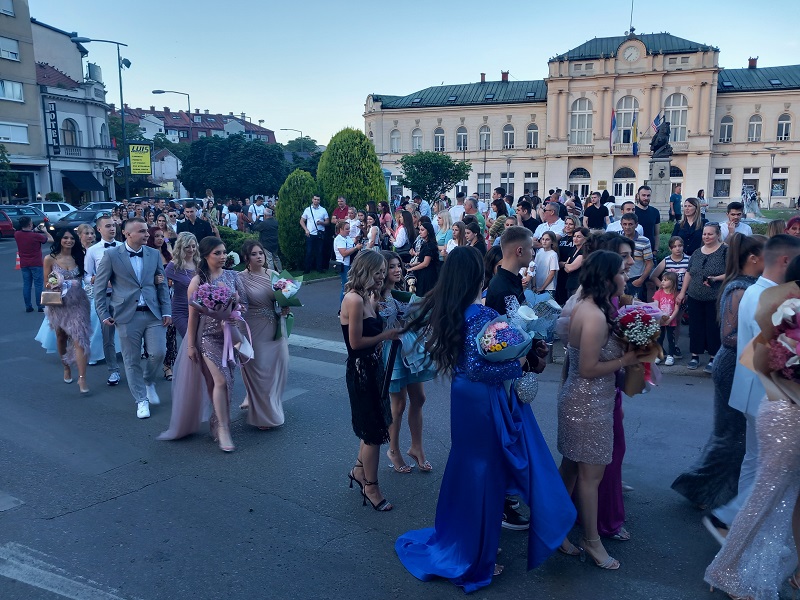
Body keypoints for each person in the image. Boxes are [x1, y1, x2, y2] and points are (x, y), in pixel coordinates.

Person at [396, 245, 576, 592]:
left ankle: (466, 541)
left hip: (464, 397)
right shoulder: (477, 316)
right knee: (484, 474)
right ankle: (476, 555)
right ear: (475, 277)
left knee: (468, 468)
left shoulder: (450, 309)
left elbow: (469, 364)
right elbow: (481, 367)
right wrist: (520, 361)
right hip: (482, 400)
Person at [704, 257, 800, 599]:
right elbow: (755, 357)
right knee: (765, 497)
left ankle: (787, 570)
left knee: (789, 498)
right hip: (786, 418)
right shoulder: (789, 311)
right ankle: (724, 569)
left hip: (783, 411)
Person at [558, 250, 645, 570]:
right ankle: (592, 540)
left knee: (570, 469)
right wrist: (627, 359)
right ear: (608, 278)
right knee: (589, 476)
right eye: (621, 272)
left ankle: (553, 527)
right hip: (587, 401)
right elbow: (588, 367)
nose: (626, 276)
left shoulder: (593, 307)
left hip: (589, 398)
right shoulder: (593, 314)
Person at [671, 234, 764, 511]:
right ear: (753, 258)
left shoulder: (750, 285)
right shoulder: (739, 288)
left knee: (733, 434)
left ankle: (717, 491)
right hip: (732, 366)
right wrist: (771, 338)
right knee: (731, 434)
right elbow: (728, 336)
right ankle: (702, 489)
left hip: (742, 364)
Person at [159, 237, 246, 450]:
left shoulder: (233, 276)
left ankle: (217, 423)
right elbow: (192, 317)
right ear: (206, 255)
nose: (223, 256)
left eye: (224, 252)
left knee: (229, 381)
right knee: (220, 381)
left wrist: (236, 314)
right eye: (217, 253)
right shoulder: (198, 281)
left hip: (230, 336)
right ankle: (224, 429)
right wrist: (190, 345)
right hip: (207, 337)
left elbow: (243, 304)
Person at [94, 218, 172, 419]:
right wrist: (103, 314)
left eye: (147, 230)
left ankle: (148, 380)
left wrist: (167, 311)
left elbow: (162, 285)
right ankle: (141, 400)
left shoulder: (154, 254)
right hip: (126, 315)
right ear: (127, 234)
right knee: (131, 359)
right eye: (142, 231)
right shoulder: (111, 255)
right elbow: (99, 289)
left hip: (153, 312)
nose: (147, 234)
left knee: (158, 353)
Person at [342, 252, 400, 511]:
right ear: (365, 271)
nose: (381, 277)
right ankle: (371, 486)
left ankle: (358, 469)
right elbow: (355, 344)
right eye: (377, 272)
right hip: (361, 371)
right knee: (374, 433)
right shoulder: (353, 300)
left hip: (375, 368)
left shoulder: (370, 297)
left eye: (383, 272)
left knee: (374, 425)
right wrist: (386, 335)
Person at [379, 251, 435, 473]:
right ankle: (393, 450)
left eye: (398, 266)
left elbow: (419, 312)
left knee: (419, 398)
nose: (397, 270)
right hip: (390, 349)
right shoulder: (373, 297)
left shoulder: (401, 294)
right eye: (391, 267)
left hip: (409, 347)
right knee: (398, 404)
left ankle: (416, 447)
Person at [238, 240, 289, 429]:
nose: (259, 256)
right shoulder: (240, 278)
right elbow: (238, 305)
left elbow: (287, 299)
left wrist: (286, 307)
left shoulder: (275, 275)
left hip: (273, 325)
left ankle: (266, 402)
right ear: (246, 257)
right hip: (251, 327)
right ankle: (263, 412)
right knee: (258, 369)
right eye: (254, 254)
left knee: (277, 365)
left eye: (261, 253)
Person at [42, 229, 91, 395]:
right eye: (65, 238)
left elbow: (88, 275)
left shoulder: (80, 257)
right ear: (59, 240)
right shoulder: (50, 259)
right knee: (61, 336)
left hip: (78, 303)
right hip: (59, 304)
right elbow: (46, 283)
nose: (68, 241)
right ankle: (66, 366)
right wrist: (55, 283)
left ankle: (82, 377)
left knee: (80, 339)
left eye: (71, 238)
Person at [676, 223, 727, 372]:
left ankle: (713, 357)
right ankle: (694, 356)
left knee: (712, 327)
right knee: (695, 327)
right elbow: (689, 273)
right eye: (704, 234)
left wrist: (715, 278)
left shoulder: (725, 251)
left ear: (718, 235)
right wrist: (682, 292)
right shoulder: (698, 252)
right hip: (695, 295)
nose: (706, 237)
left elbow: (731, 271)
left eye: (710, 234)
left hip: (714, 296)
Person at [83, 215, 122, 384]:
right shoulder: (93, 251)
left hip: (124, 297)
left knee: (132, 333)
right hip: (105, 297)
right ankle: (113, 370)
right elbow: (86, 275)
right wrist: (98, 280)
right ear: (99, 229)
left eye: (113, 225)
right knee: (108, 335)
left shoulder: (123, 247)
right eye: (107, 226)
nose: (112, 228)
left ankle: (134, 368)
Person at [147, 227, 175, 380]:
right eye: (156, 236)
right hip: (151, 300)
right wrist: (153, 281)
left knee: (170, 332)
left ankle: (167, 366)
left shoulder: (167, 255)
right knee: (155, 336)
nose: (159, 239)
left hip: (169, 298)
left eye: (161, 236)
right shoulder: (147, 255)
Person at [164, 232, 198, 339]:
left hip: (199, 310)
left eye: (193, 246)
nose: (191, 249)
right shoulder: (174, 266)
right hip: (181, 311)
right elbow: (161, 286)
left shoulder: (199, 264)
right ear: (181, 247)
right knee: (190, 340)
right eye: (187, 246)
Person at [15, 216, 52, 312]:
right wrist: (45, 231)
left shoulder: (17, 234)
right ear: (30, 224)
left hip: (24, 263)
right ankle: (40, 306)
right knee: (38, 285)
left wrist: (35, 230)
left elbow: (26, 234)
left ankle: (28, 306)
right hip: (36, 263)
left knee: (27, 285)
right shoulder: (36, 236)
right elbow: (51, 239)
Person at [620, 213, 654, 301]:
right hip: (621, 278)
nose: (627, 227)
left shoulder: (644, 241)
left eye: (630, 224)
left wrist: (641, 280)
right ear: (621, 225)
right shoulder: (618, 240)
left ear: (636, 225)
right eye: (625, 224)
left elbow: (649, 263)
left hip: (636, 279)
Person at [653, 272, 681, 365]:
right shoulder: (658, 293)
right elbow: (655, 306)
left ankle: (670, 355)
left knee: (670, 338)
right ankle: (659, 355)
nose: (662, 282)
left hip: (671, 320)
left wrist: (671, 318)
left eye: (665, 280)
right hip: (660, 320)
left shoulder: (676, 294)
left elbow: (677, 309)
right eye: (662, 280)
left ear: (672, 282)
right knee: (659, 338)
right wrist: (659, 318)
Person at [405, 221, 439, 296]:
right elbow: (422, 261)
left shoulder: (430, 245)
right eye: (420, 230)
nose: (420, 232)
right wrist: (412, 264)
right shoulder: (425, 244)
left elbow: (425, 263)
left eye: (422, 230)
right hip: (423, 272)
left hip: (428, 274)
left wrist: (412, 269)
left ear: (428, 232)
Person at [300, 194, 329, 273]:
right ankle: (307, 269)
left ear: (320, 201)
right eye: (315, 199)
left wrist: (322, 223)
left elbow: (327, 222)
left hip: (319, 234)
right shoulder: (308, 210)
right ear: (312, 200)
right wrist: (306, 230)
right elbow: (302, 221)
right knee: (309, 252)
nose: (316, 201)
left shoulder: (323, 210)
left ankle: (319, 269)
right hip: (310, 234)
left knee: (319, 252)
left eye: (318, 200)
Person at [333, 220, 361, 302]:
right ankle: (342, 309)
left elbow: (350, 245)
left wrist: (356, 241)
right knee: (346, 287)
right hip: (343, 264)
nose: (349, 230)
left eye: (349, 228)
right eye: (347, 229)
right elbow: (344, 253)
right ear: (341, 230)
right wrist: (356, 248)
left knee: (350, 286)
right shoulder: (339, 239)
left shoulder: (347, 237)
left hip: (350, 264)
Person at [555, 216, 577, 304]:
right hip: (560, 271)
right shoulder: (561, 239)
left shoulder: (576, 239)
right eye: (566, 223)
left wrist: (565, 264)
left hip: (571, 271)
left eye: (571, 224)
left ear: (575, 226)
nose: (567, 226)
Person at [633, 185, 660, 256]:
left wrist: (656, 250)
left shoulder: (655, 212)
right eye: (643, 195)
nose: (646, 198)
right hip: (635, 250)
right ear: (638, 196)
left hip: (650, 250)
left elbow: (656, 234)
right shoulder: (633, 211)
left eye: (648, 195)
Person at [564, 226, 588, 299]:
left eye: (579, 237)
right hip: (570, 283)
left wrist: (566, 264)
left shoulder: (584, 251)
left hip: (578, 285)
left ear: (585, 238)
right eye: (574, 236)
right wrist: (567, 265)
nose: (575, 239)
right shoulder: (573, 250)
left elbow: (570, 268)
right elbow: (567, 269)